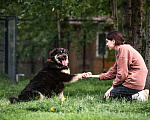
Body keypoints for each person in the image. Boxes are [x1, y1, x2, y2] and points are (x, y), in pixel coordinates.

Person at [83, 31, 149, 102]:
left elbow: (122, 74)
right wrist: (91, 76)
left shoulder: (124, 49)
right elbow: (112, 73)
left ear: (113, 41)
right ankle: (136, 96)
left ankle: (138, 96)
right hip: (134, 83)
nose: (106, 44)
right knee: (108, 97)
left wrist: (112, 88)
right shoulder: (122, 52)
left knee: (110, 97)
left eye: (107, 41)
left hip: (134, 83)